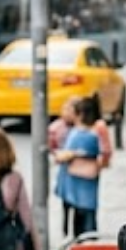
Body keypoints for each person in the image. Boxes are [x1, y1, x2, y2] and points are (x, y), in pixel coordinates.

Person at [53, 96, 108, 237]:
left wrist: (67, 155)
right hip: (89, 180)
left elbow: (65, 155)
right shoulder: (96, 131)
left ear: (79, 115)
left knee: (80, 219)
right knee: (88, 216)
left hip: (75, 182)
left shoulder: (78, 134)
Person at [48, 95, 83, 236]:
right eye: (65, 109)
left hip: (80, 172)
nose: (66, 113)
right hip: (65, 171)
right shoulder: (56, 128)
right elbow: (51, 147)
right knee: (66, 203)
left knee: (79, 206)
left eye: (70, 110)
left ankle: (77, 234)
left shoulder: (82, 128)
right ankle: (66, 232)